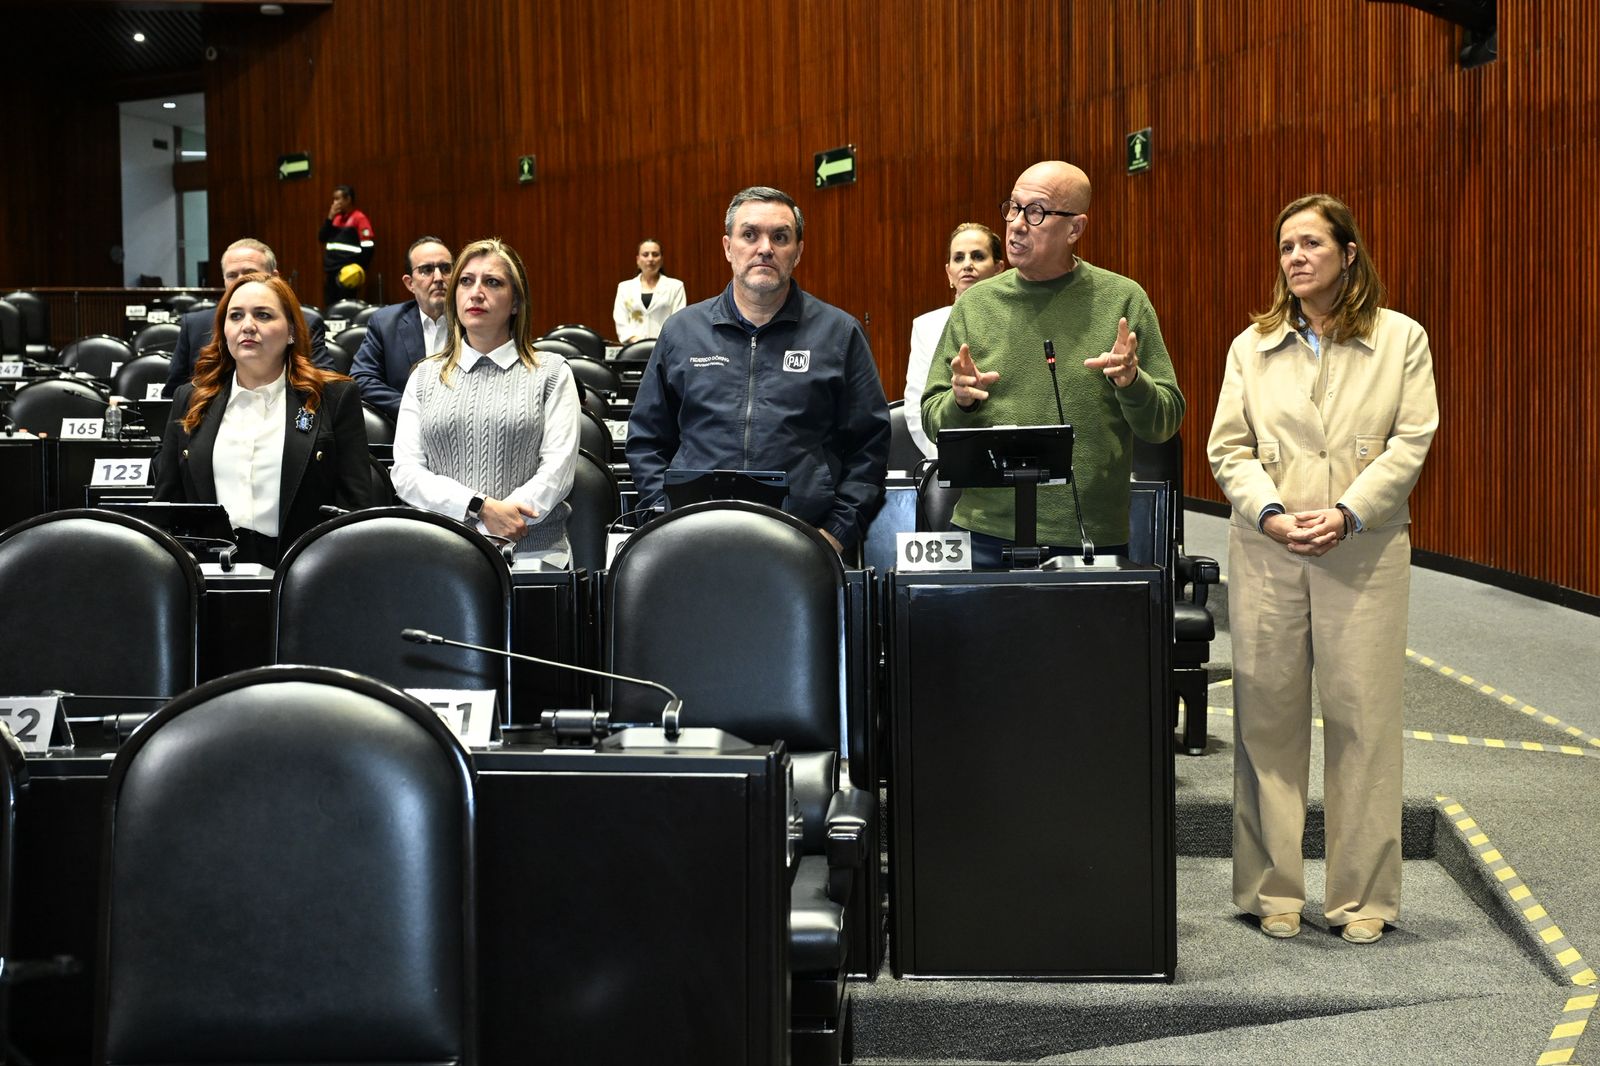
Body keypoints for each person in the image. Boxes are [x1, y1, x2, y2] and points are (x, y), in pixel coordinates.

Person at [1207, 194, 1438, 944]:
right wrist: (1272, 513)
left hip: (1363, 551)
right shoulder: (1251, 346)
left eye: (1311, 243)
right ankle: (1270, 890)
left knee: (1363, 722)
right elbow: (1227, 448)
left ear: (1348, 253)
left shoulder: (1401, 338)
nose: (1296, 257)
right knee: (1266, 721)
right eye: (1286, 247)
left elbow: (1411, 440)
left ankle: (1362, 899)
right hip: (1268, 548)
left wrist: (1348, 512)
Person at [920, 160, 1184, 567]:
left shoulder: (1122, 300)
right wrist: (961, 402)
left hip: (1088, 535)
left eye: (1036, 212)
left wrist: (1133, 383)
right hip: (984, 533)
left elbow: (1164, 423)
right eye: (1013, 207)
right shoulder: (975, 305)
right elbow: (932, 419)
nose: (1016, 224)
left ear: (1074, 228)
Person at [625, 186, 890, 553]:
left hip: (803, 542)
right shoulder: (681, 333)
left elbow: (869, 446)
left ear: (798, 252)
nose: (765, 248)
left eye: (780, 237)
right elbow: (646, 439)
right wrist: (664, 518)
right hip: (693, 540)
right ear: (727, 247)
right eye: (749, 235)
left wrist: (837, 532)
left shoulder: (839, 334)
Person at [154, 272, 371, 567]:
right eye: (236, 316)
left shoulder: (334, 397)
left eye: (263, 315)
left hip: (305, 568)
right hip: (211, 573)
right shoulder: (190, 399)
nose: (247, 326)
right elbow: (167, 504)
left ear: (291, 330)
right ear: (224, 330)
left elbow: (354, 507)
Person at [390, 237, 579, 565]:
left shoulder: (551, 372)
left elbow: (557, 471)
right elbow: (406, 472)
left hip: (533, 555)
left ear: (516, 302)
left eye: (492, 282)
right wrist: (480, 508)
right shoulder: (423, 376)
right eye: (466, 281)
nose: (476, 292)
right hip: (441, 555)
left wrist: (501, 524)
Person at [163, 238, 329, 397]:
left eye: (250, 273)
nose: (241, 281)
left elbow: (324, 390)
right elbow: (173, 397)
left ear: (274, 277)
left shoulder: (305, 323)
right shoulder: (194, 325)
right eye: (232, 276)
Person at [903, 223, 1006, 458]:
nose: (967, 265)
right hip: (946, 457)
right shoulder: (926, 326)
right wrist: (948, 459)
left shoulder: (1012, 321)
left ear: (999, 269)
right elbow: (917, 407)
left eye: (978, 256)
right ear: (949, 273)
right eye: (959, 258)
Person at [350, 237, 453, 419]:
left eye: (445, 269)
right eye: (426, 270)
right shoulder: (385, 323)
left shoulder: (474, 323)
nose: (438, 278)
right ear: (409, 283)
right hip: (405, 425)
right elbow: (362, 379)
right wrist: (412, 409)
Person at [612, 238, 687, 343]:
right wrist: (637, 343)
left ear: (661, 259)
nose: (650, 259)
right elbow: (620, 319)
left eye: (655, 254)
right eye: (645, 254)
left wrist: (660, 343)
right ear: (638, 259)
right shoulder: (624, 287)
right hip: (633, 347)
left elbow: (678, 320)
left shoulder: (676, 286)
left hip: (665, 346)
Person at [320, 184, 376, 307]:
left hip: (348, 273)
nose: (334, 203)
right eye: (334, 199)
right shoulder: (335, 219)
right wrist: (329, 218)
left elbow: (368, 247)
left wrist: (358, 269)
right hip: (331, 271)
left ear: (348, 199)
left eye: (337, 199)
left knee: (346, 308)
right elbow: (322, 237)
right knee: (330, 308)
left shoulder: (359, 218)